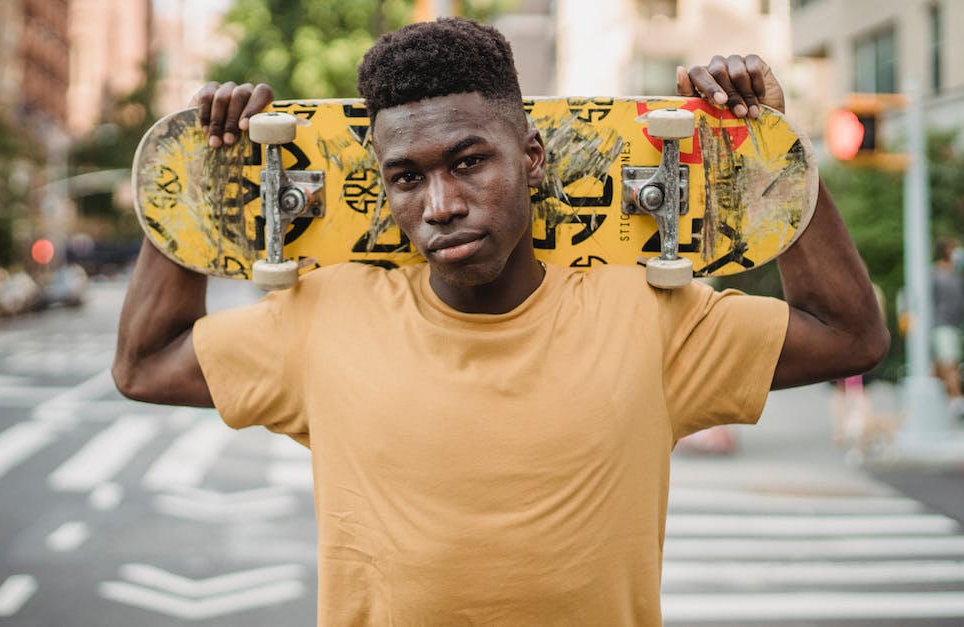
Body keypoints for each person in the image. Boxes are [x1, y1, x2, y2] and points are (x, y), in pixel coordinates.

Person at [113, 18, 888, 626]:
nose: (440, 204)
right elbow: (145, 364)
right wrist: (200, 175)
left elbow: (851, 335)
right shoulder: (324, 317)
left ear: (534, 157)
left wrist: (773, 154)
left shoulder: (649, 316)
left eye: (469, 161)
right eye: (406, 178)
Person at [932, 238, 964, 421]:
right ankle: (958, 401)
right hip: (940, 325)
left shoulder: (958, 275)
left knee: (940, 368)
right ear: (946, 251)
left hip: (955, 326)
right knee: (950, 365)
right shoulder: (933, 274)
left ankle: (928, 398)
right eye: (955, 248)